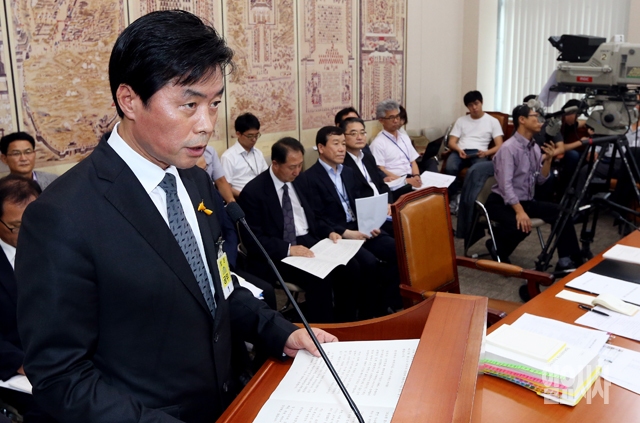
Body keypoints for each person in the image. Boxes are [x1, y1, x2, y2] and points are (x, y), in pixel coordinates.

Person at [15, 11, 336, 423]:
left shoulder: (195, 180)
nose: (206, 125)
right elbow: (60, 376)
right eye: (189, 104)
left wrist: (280, 331)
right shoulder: (62, 216)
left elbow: (217, 287)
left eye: (214, 103)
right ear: (129, 100)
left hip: (229, 402)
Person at [239, 137, 361, 322]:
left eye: (300, 165)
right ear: (275, 164)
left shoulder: (301, 180)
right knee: (319, 277)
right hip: (279, 251)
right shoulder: (254, 192)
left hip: (309, 241)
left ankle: (346, 323)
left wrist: (329, 231)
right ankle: (322, 328)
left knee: (351, 267)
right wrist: (289, 249)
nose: (297, 171)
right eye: (292, 167)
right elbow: (253, 240)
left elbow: (315, 216)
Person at [301, 126, 402, 313]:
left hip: (360, 227)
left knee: (398, 249)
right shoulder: (309, 178)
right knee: (368, 262)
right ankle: (365, 313)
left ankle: (386, 304)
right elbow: (316, 218)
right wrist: (346, 232)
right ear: (321, 148)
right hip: (337, 235)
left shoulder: (348, 172)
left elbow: (359, 203)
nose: (342, 149)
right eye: (336, 144)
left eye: (343, 144)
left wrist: (371, 222)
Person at [485, 104, 581, 292]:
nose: (540, 121)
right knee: (521, 226)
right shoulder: (508, 148)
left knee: (561, 212)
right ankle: (497, 246)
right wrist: (520, 211)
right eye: (535, 117)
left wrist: (548, 160)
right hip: (500, 201)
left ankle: (567, 260)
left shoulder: (534, 147)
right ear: (522, 120)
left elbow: (541, 180)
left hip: (525, 201)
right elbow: (505, 185)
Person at [0, 175, 57, 423]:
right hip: (17, 369)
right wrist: (21, 363)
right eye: (16, 226)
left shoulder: (60, 246)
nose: (27, 232)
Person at [444, 91, 504, 202]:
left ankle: (469, 200)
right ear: (467, 107)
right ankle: (452, 198)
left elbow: (500, 145)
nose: (474, 107)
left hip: (480, 153)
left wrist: (486, 153)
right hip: (460, 151)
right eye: (470, 105)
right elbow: (451, 142)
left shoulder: (493, 121)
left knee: (475, 171)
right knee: (450, 167)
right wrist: (458, 149)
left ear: (482, 102)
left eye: (476, 103)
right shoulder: (461, 121)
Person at [369, 99, 422, 189]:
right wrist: (404, 181)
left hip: (410, 177)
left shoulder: (404, 137)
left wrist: (416, 176)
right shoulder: (378, 143)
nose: (396, 120)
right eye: (391, 118)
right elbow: (381, 169)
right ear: (381, 120)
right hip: (396, 182)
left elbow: (412, 161)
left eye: (397, 116)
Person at [220, 113, 268, 198]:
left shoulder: (258, 153)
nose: (254, 139)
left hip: (261, 196)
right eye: (250, 136)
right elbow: (226, 186)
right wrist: (245, 197)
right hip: (242, 198)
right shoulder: (228, 157)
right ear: (238, 134)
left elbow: (266, 176)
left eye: (256, 135)